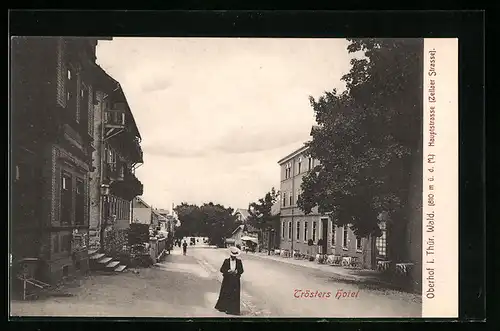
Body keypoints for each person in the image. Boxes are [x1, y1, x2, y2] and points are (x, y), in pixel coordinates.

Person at [214, 246, 244, 315]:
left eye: (235, 256)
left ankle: (234, 310)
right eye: (232, 256)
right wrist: (228, 271)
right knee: (226, 293)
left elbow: (242, 270)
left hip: (235, 280)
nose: (233, 257)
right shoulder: (226, 261)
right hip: (227, 280)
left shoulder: (239, 262)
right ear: (230, 255)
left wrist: (237, 272)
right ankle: (225, 308)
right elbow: (222, 269)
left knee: (234, 295)